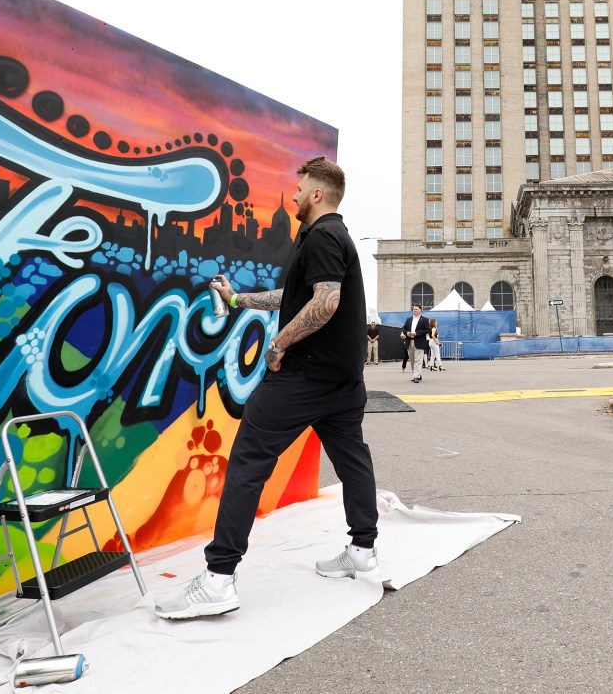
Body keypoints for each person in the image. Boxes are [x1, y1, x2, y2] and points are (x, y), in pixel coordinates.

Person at [155, 156, 379, 620]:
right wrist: (237, 298)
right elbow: (293, 296)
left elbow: (327, 301)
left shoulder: (321, 235)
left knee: (247, 461)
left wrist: (277, 344)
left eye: (299, 189)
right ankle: (362, 550)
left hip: (306, 376)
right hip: (343, 380)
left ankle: (218, 579)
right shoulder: (332, 238)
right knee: (352, 459)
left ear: (317, 194)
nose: (293, 196)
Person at [401, 303, 430, 383]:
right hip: (410, 341)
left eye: (417, 309)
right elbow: (404, 328)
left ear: (420, 310)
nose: (415, 310)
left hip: (420, 342)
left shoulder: (424, 319)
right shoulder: (409, 319)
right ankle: (417, 373)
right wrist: (407, 333)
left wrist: (417, 333)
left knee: (418, 360)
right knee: (412, 360)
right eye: (414, 309)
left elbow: (428, 330)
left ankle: (416, 376)